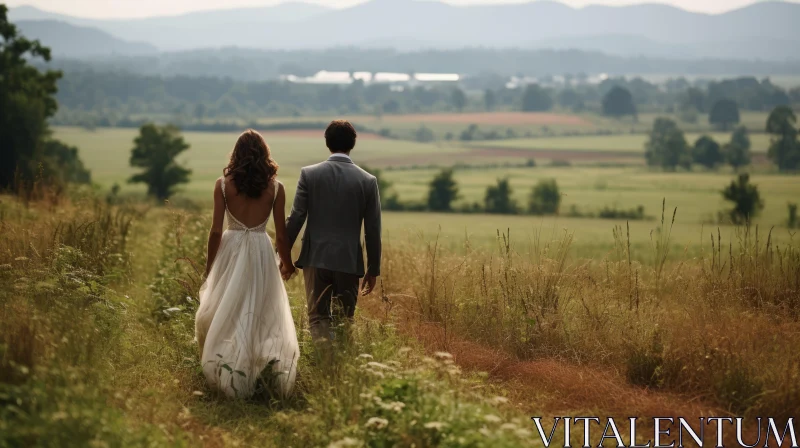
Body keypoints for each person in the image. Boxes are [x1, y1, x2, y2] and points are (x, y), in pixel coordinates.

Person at [195, 129, 299, 398]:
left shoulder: (222, 185)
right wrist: (287, 263)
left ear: (236, 155)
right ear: (265, 155)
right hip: (261, 249)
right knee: (261, 310)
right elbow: (282, 232)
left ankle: (227, 371)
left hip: (231, 248)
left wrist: (210, 268)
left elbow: (216, 231)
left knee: (227, 310)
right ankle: (260, 374)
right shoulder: (276, 188)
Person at [284, 120, 382, 344]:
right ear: (352, 144)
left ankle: (324, 362)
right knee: (344, 320)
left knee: (318, 318)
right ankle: (340, 365)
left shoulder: (309, 174)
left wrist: (283, 254)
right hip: (348, 261)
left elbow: (297, 217)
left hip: (315, 258)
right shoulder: (368, 181)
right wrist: (373, 269)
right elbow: (373, 229)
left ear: (327, 143)